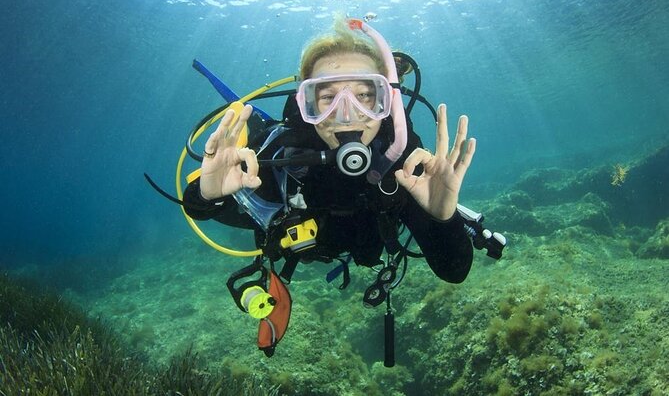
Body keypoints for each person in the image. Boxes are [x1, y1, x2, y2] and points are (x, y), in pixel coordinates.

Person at [182, 17, 477, 285]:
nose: (346, 114)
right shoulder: (286, 156)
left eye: (364, 95)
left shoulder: (402, 163)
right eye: (327, 97)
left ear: (386, 102)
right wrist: (209, 195)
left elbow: (454, 271)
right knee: (261, 130)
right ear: (306, 104)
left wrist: (443, 218)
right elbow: (198, 208)